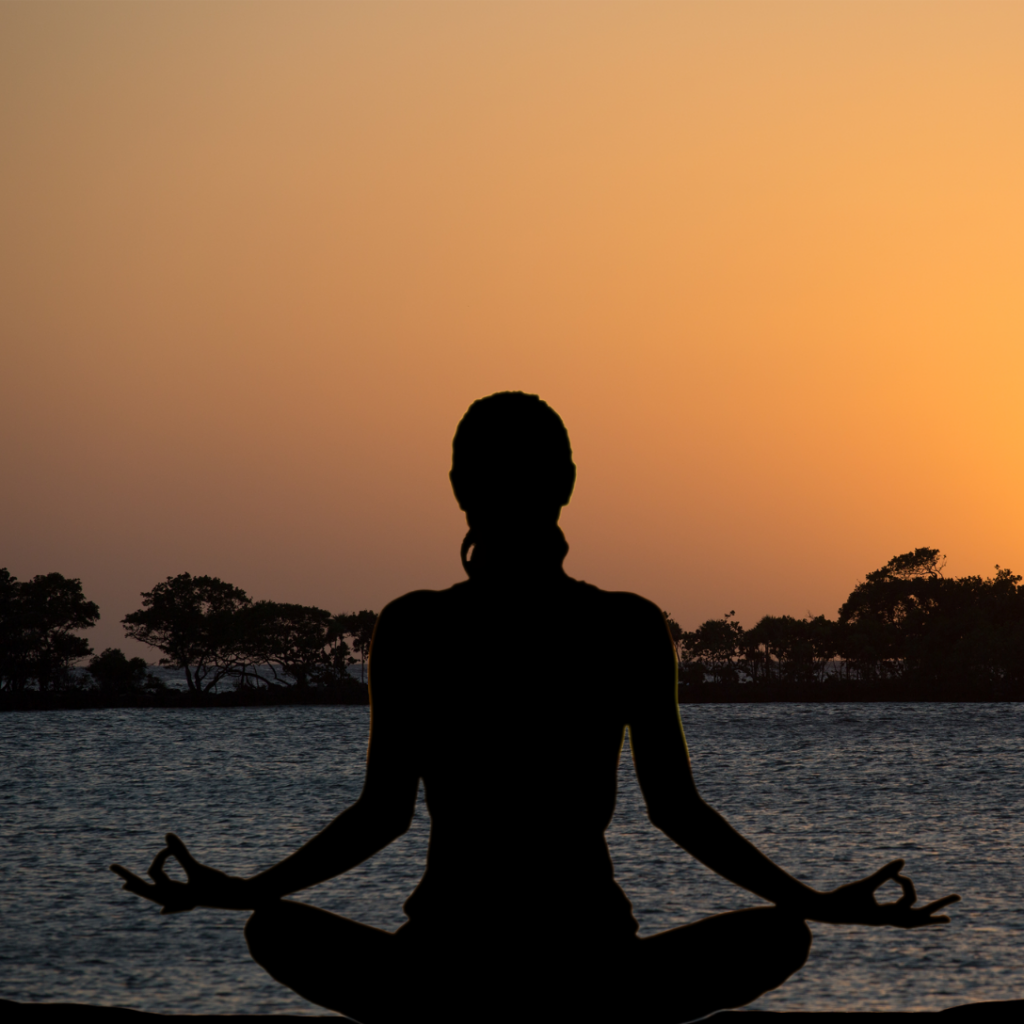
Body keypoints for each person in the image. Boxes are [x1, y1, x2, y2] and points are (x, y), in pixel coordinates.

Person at [112, 392, 959, 1024]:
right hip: (593, 975)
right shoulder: (622, 626)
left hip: (443, 974)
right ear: (567, 485)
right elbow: (677, 811)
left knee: (274, 928)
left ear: (458, 489)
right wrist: (810, 901)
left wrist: (248, 889)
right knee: (782, 935)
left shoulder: (419, 626)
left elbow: (382, 815)